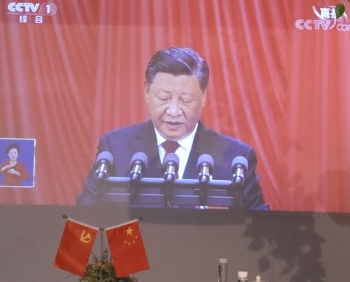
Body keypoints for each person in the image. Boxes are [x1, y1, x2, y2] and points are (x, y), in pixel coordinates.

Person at [77, 46, 268, 210]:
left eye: (186, 100)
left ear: (203, 97)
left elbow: (259, 230)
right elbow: (84, 219)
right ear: (146, 91)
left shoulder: (235, 157)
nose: (174, 111)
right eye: (164, 98)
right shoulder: (115, 148)